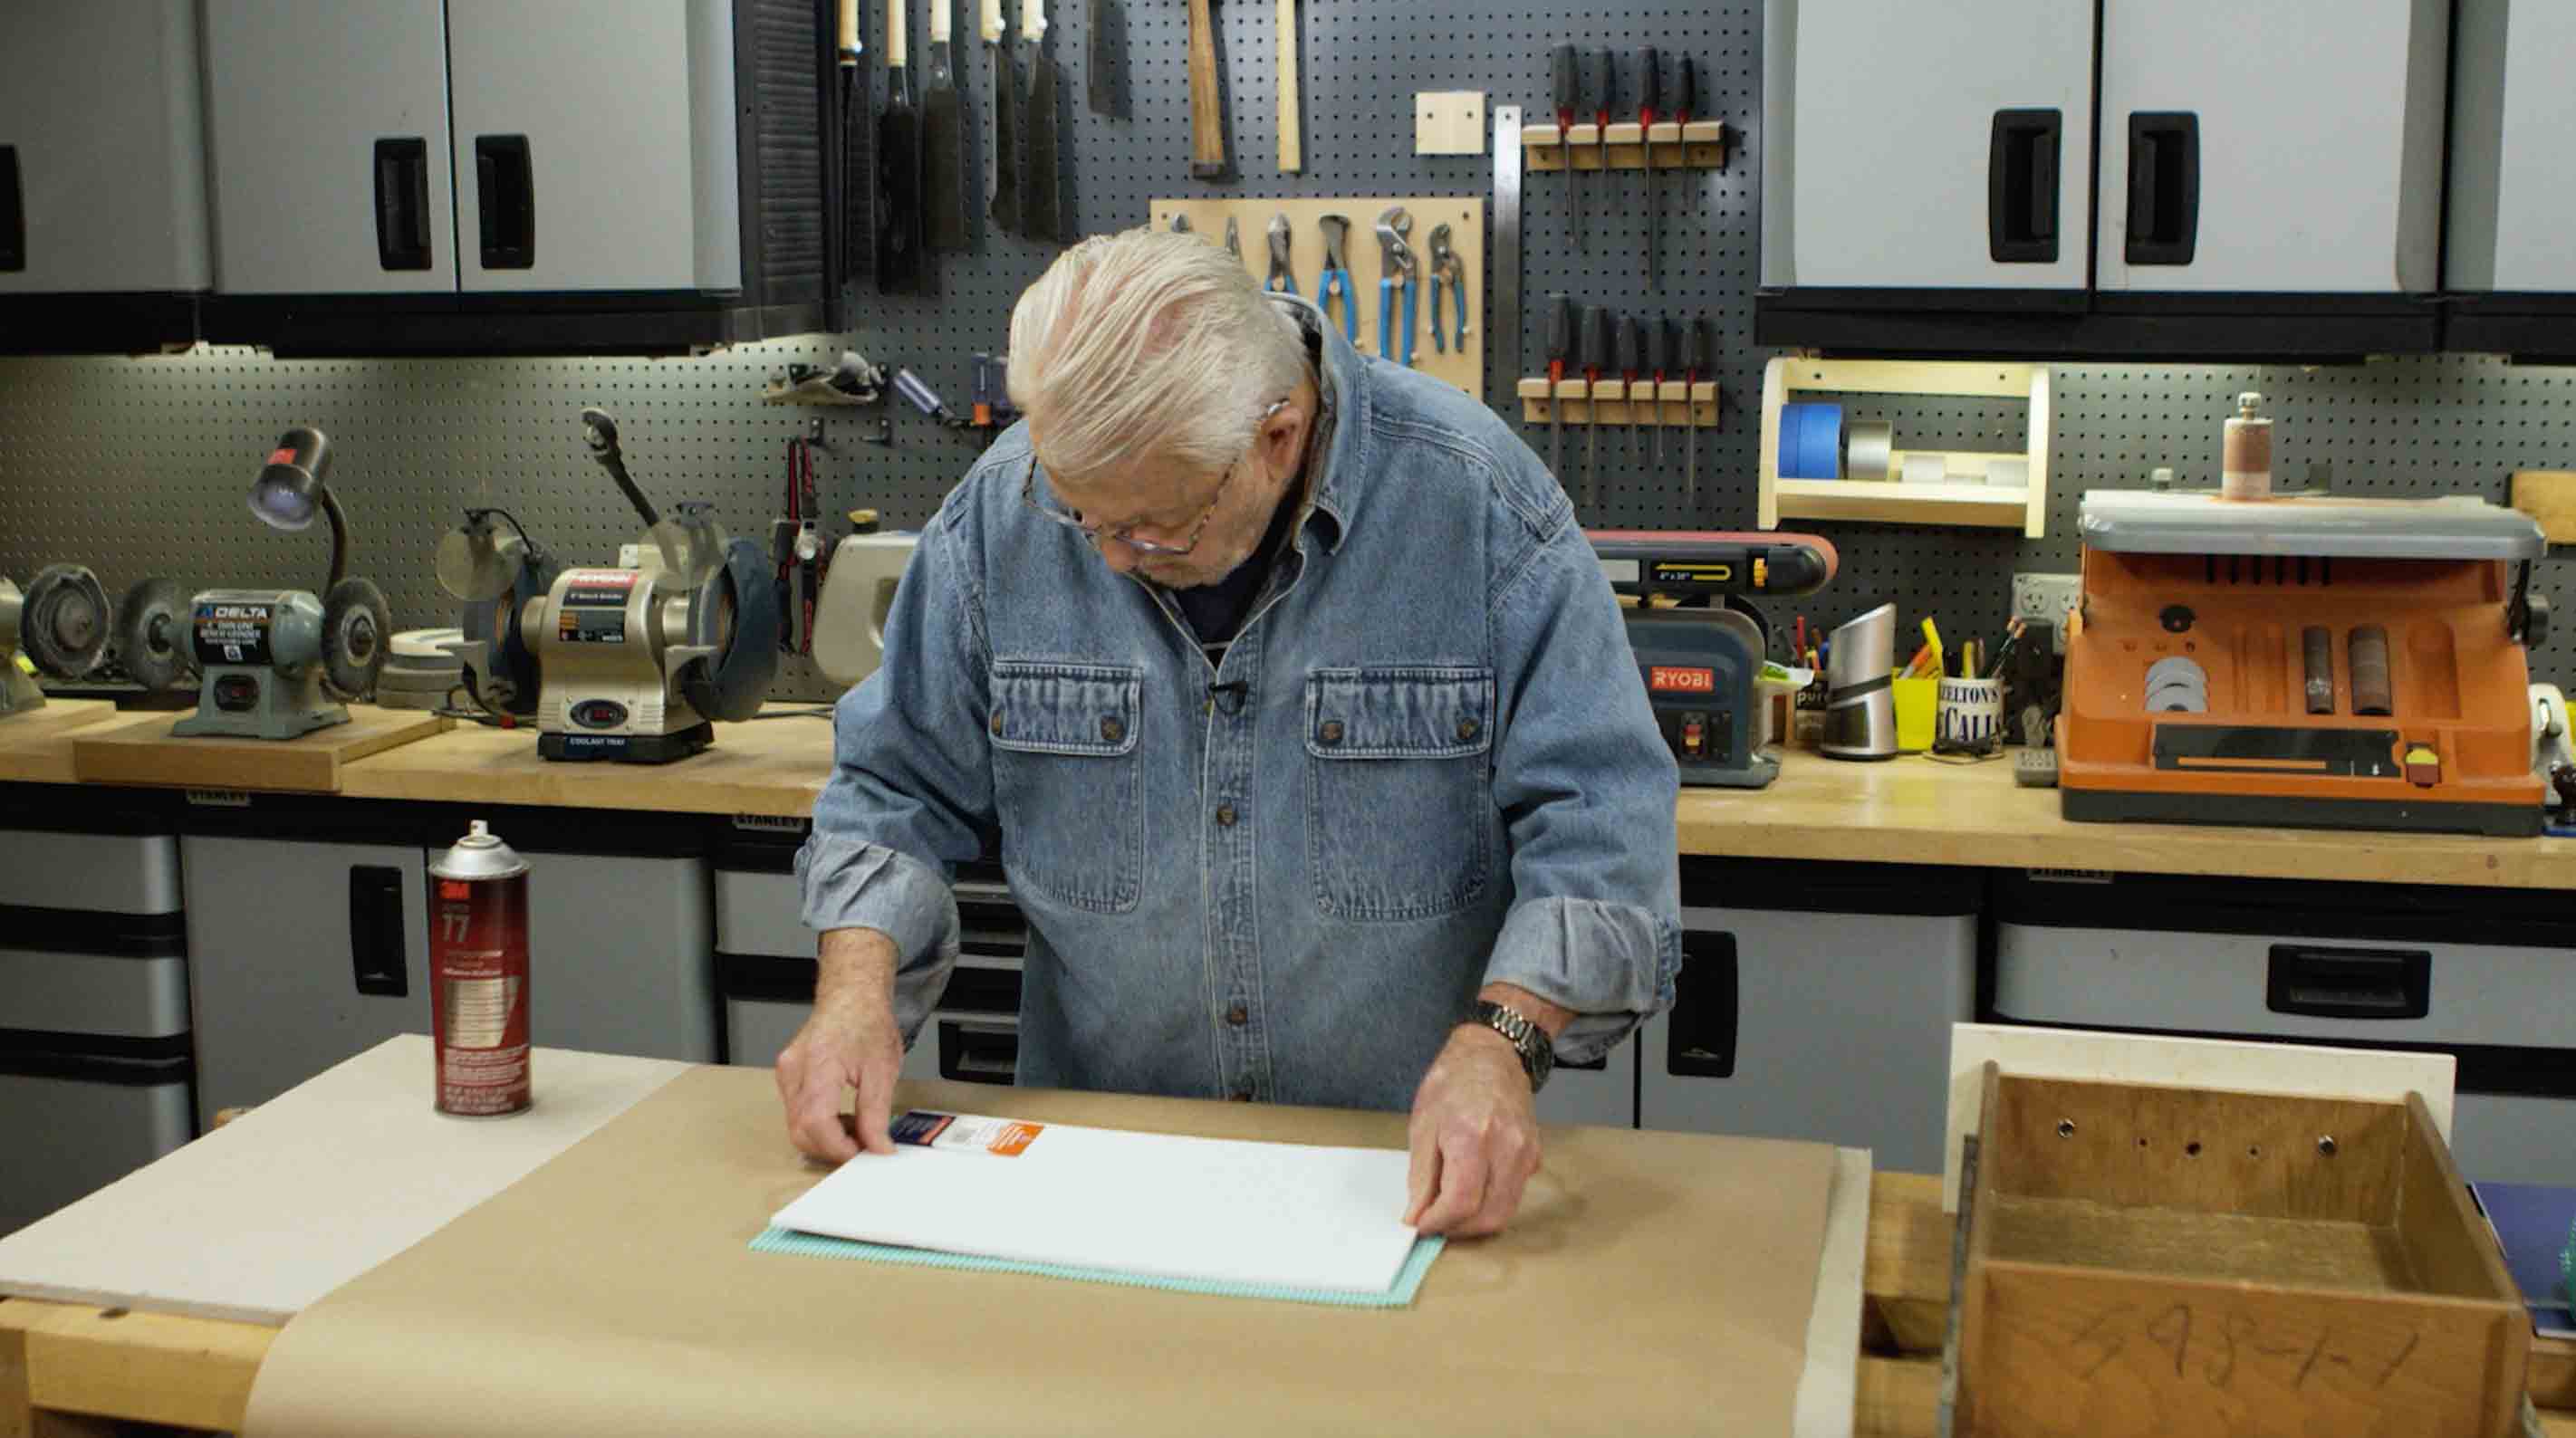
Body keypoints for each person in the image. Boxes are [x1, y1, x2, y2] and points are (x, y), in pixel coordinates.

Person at [778, 228, 1679, 1237]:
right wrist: (854, 994)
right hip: (1094, 1181)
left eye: (1151, 525)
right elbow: (894, 785)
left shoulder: (1479, 509)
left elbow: (1605, 825)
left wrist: (1500, 1045)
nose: (1111, 562)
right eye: (1082, 518)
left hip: (1392, 1188)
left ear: (1277, 438)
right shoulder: (1000, 515)